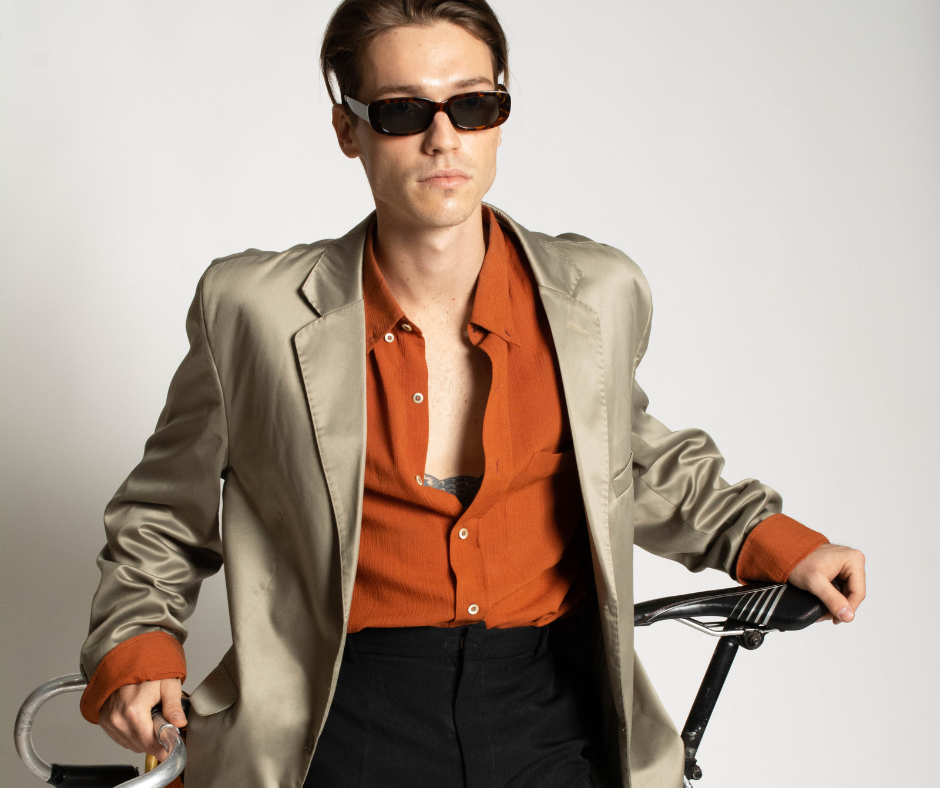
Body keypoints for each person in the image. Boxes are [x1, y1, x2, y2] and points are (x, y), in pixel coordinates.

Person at [78, 1, 866, 786]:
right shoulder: (253, 312)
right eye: (402, 111)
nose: (444, 138)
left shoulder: (598, 293)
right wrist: (138, 642)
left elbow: (628, 457)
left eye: (474, 105)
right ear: (348, 129)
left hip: (551, 711)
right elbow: (163, 513)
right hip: (342, 721)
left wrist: (774, 542)